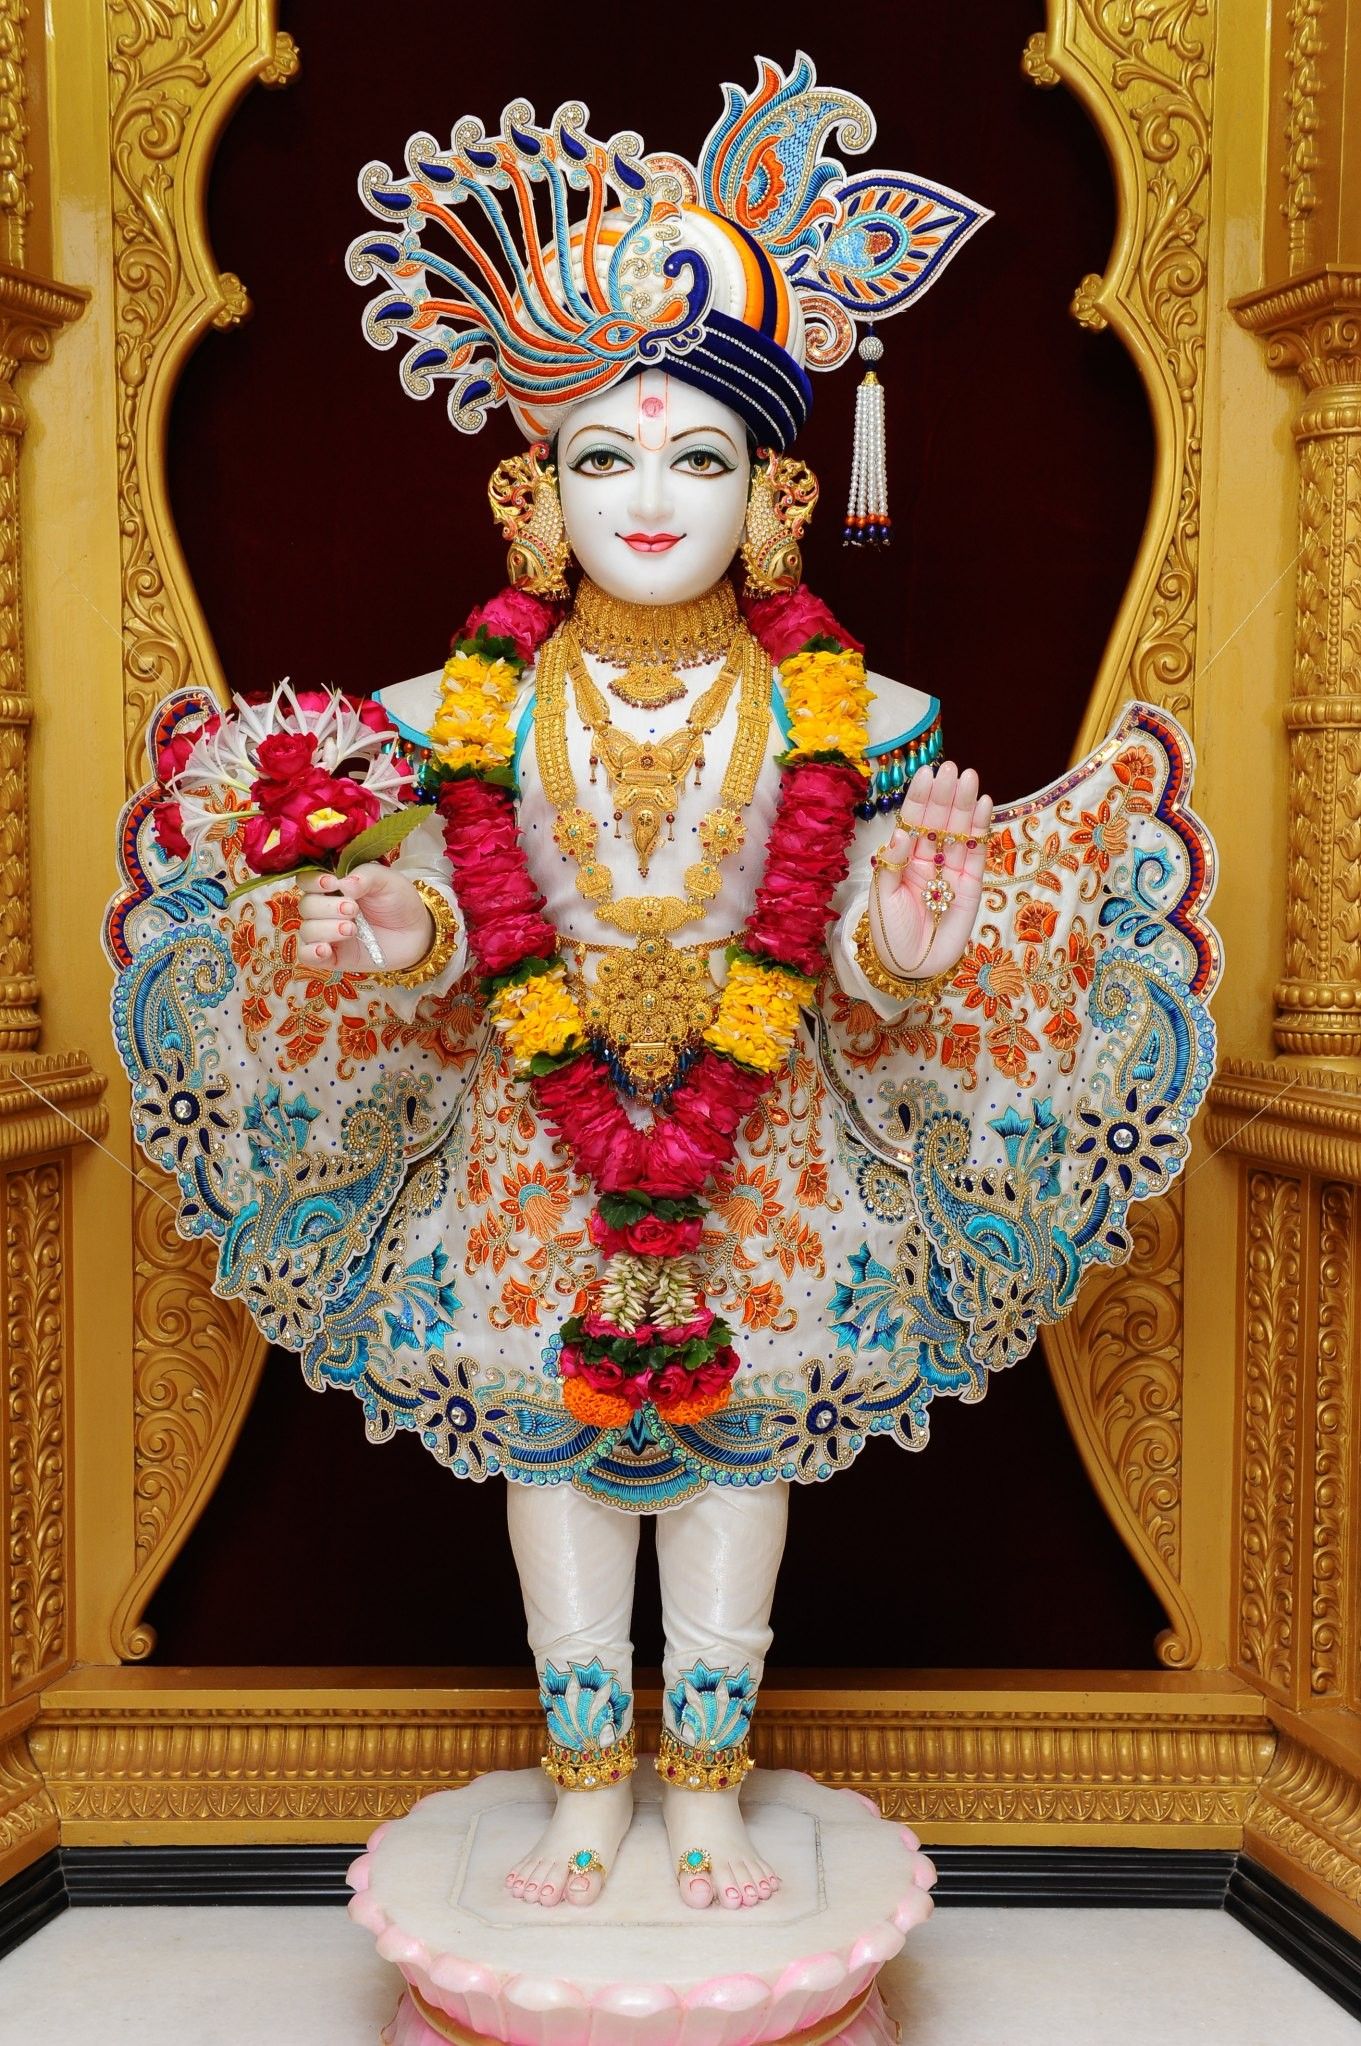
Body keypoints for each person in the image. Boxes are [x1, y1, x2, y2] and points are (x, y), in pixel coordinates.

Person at [106, 56, 1219, 1918]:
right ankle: (582, 1781)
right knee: (551, 1447)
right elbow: (459, 892)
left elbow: (851, 911)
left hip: (757, 1136)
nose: (646, 495)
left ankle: (704, 1781)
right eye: (601, 454)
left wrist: (904, 943)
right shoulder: (468, 706)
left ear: (776, 495)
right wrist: (393, 938)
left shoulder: (836, 709)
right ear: (528, 490)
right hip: (530, 1143)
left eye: (695, 455)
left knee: (729, 1447)